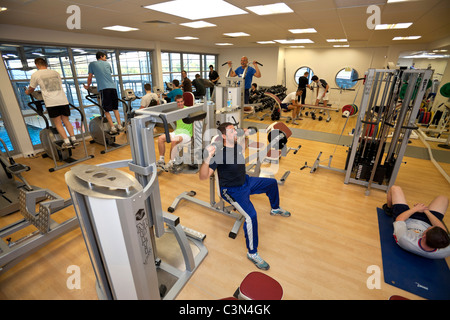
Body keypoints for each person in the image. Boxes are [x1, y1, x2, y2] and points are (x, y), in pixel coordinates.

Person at [199, 122, 291, 270]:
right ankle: (252, 253)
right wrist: (207, 158)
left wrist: (246, 134)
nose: (235, 133)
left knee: (272, 183)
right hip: (232, 191)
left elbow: (245, 143)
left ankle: (275, 208)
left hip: (246, 181)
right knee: (251, 216)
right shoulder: (219, 154)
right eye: (231, 132)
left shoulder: (237, 146)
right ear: (223, 136)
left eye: (235, 131)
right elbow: (203, 176)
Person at [383, 185, 450, 259]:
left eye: (429, 229)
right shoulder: (445, 250)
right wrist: (426, 211)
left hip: (406, 220)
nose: (431, 227)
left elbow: (399, 219)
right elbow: (443, 231)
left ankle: (388, 208)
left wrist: (415, 209)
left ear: (423, 236)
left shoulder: (405, 238)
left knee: (395, 188)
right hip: (427, 221)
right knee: (444, 198)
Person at [25, 58, 79, 149]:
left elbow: (31, 88)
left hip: (51, 102)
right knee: (66, 121)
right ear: (46, 64)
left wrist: (27, 92)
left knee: (58, 123)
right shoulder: (55, 73)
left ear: (37, 65)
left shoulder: (35, 74)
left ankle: (66, 142)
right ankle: (73, 139)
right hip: (63, 100)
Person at [84, 51, 123, 135]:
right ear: (101, 56)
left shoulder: (92, 64)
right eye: (105, 57)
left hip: (104, 89)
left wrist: (87, 86)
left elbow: (90, 77)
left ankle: (112, 127)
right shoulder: (107, 64)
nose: (105, 59)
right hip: (113, 88)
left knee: (106, 110)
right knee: (115, 109)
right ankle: (119, 125)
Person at [156, 95, 192, 171]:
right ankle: (161, 160)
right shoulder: (175, 111)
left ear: (184, 101)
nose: (180, 103)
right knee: (160, 138)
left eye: (181, 101)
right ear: (176, 103)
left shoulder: (189, 110)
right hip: (177, 132)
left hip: (186, 134)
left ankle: (171, 162)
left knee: (174, 141)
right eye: (178, 102)